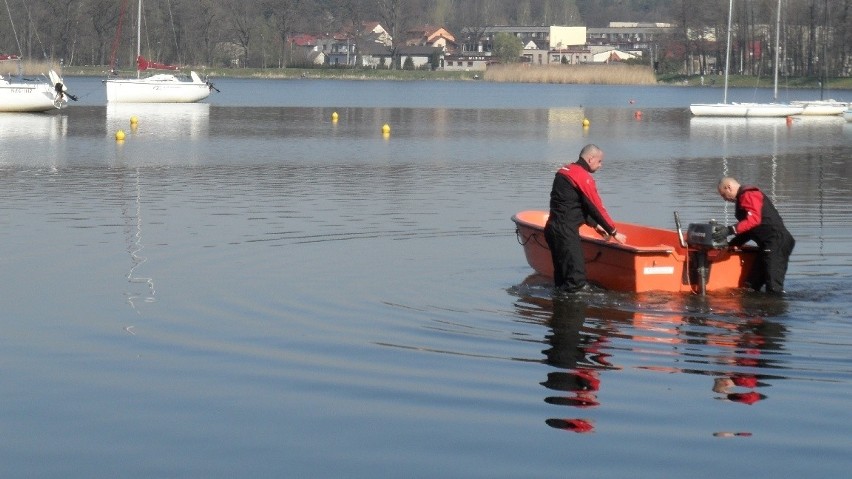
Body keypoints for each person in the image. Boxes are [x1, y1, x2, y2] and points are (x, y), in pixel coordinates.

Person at [544, 144, 625, 293]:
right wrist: (613, 231)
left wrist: (595, 225)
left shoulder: (564, 171)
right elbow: (596, 207)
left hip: (552, 229)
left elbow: (572, 205)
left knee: (561, 278)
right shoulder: (582, 176)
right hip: (565, 233)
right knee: (576, 279)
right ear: (590, 158)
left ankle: (559, 311)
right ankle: (573, 311)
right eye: (599, 161)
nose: (601, 165)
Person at [713, 177, 795, 294]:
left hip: (776, 242)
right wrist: (733, 244)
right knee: (751, 286)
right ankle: (754, 309)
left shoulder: (749, 195)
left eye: (723, 195)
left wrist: (729, 230)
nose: (724, 199)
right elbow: (749, 229)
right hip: (767, 245)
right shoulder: (742, 199)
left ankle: (777, 308)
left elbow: (754, 220)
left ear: (729, 188)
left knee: (773, 287)